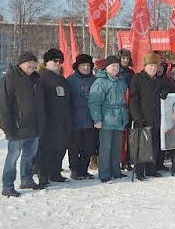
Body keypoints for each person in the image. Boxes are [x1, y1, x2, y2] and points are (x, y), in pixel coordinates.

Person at [0, 52, 46, 197]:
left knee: (29, 157)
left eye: (34, 62)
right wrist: (8, 128)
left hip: (34, 127)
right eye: (28, 63)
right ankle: (7, 186)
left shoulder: (36, 79)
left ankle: (26, 180)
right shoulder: (11, 78)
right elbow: (2, 105)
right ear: (20, 64)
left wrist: (41, 125)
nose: (32, 65)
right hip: (17, 128)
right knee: (12, 158)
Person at [88, 55, 129, 183]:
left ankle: (116, 171)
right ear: (106, 68)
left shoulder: (121, 81)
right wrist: (97, 119)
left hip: (119, 118)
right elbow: (94, 102)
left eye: (117, 66)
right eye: (113, 66)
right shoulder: (100, 82)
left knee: (117, 147)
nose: (115, 68)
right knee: (105, 148)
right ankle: (105, 174)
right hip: (106, 119)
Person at [129, 52, 166, 180]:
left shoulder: (159, 81)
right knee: (142, 145)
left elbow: (168, 89)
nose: (153, 69)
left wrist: (165, 92)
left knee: (154, 144)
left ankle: (151, 169)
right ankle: (140, 171)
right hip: (143, 117)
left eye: (155, 66)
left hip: (156, 117)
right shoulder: (138, 78)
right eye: (150, 66)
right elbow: (133, 99)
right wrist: (137, 117)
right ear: (145, 66)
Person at [38, 48, 73, 186]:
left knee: (60, 147)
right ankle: (43, 175)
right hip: (50, 120)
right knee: (47, 149)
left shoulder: (61, 78)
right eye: (55, 61)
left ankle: (55, 173)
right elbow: (40, 101)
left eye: (60, 61)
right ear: (47, 62)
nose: (58, 64)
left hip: (63, 119)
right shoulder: (42, 78)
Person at [66, 54, 97, 180]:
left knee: (88, 147)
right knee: (74, 147)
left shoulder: (95, 80)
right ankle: (74, 170)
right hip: (75, 120)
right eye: (83, 65)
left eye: (88, 65)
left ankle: (83, 169)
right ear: (77, 67)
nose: (85, 68)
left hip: (90, 120)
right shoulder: (70, 80)